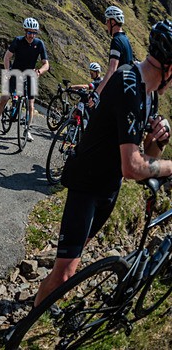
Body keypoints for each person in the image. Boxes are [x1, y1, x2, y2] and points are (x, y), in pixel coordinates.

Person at [32, 20, 172, 308]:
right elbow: (132, 168)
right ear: (169, 68)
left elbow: (147, 157)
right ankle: (26, 323)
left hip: (108, 190)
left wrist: (159, 141)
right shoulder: (128, 84)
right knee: (64, 274)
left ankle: (42, 305)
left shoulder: (150, 96)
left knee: (71, 262)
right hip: (87, 184)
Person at [0, 18, 50, 140]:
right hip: (15, 72)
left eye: (34, 33)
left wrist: (39, 71)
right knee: (5, 98)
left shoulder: (39, 44)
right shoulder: (18, 41)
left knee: (31, 105)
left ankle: (27, 130)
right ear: (25, 31)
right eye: (29, 32)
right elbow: (7, 57)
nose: (32, 35)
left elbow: (46, 64)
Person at [96, 5, 134, 98]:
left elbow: (112, 69)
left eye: (107, 20)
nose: (106, 23)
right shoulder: (125, 39)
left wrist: (97, 93)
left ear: (113, 22)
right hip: (129, 87)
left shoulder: (116, 41)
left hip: (120, 90)